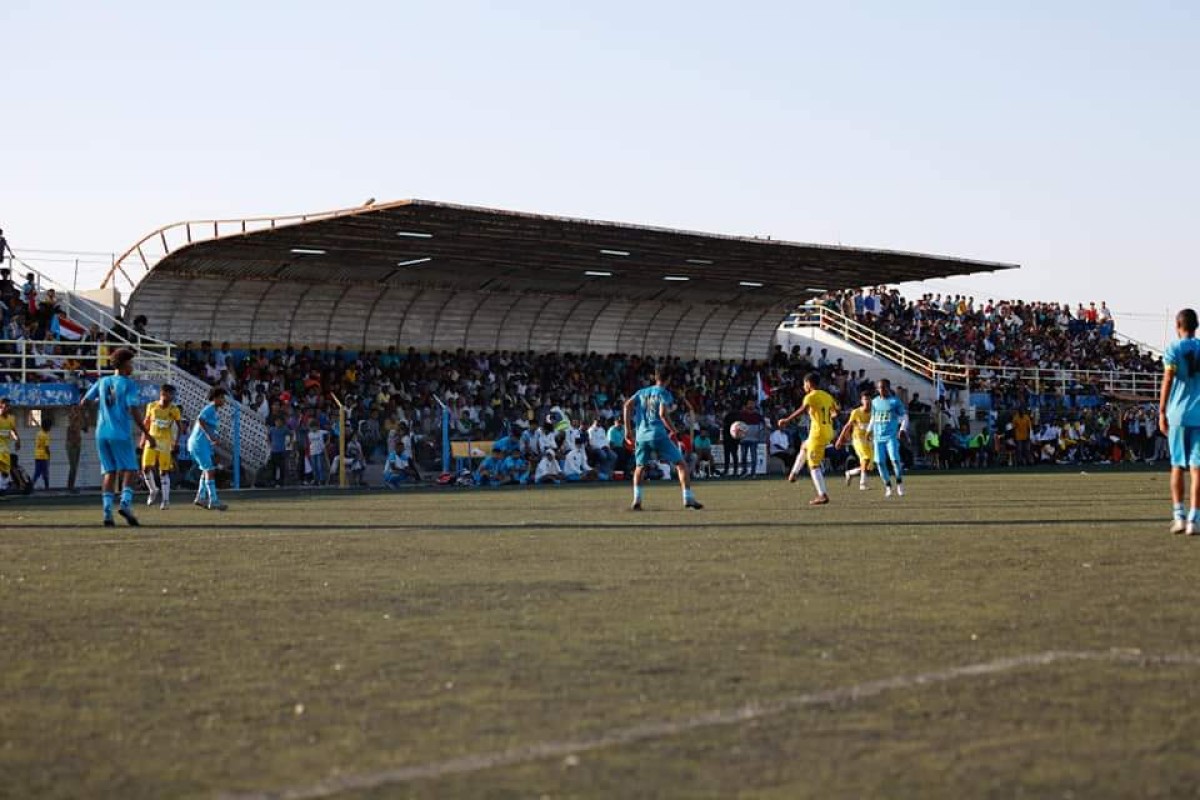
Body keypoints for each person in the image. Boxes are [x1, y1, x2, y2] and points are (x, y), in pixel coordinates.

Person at [80, 348, 155, 526]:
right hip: (119, 433)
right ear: (123, 365)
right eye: (131, 363)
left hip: (101, 433)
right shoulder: (128, 384)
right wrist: (146, 433)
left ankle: (107, 513)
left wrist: (86, 421)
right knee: (131, 470)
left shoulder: (102, 381)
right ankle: (125, 504)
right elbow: (134, 409)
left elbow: (84, 402)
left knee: (109, 472)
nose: (132, 367)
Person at [623, 367, 702, 510]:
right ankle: (688, 498)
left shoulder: (642, 392)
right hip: (658, 434)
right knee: (681, 464)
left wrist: (627, 431)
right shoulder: (664, 393)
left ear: (655, 377)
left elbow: (627, 405)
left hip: (641, 435)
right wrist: (675, 431)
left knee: (640, 467)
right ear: (669, 379)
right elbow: (662, 414)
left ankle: (637, 500)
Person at [1160, 308, 1200, 535]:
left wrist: (1161, 411)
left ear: (1178, 325)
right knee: (1198, 469)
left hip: (1178, 414)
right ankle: (1195, 519)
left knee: (1177, 466)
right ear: (1196, 326)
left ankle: (1179, 516)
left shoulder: (1173, 348)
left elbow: (1168, 379)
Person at [779, 373, 839, 505]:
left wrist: (787, 420)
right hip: (828, 432)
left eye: (804, 383)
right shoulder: (827, 395)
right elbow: (836, 412)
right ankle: (794, 473)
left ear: (809, 384)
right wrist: (829, 418)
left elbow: (803, 409)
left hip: (818, 434)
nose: (803, 386)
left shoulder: (810, 396)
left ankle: (822, 495)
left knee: (814, 465)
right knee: (804, 446)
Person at [141, 384, 183, 510]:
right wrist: (143, 440)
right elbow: (146, 424)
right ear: (163, 394)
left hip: (165, 443)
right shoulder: (151, 406)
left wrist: (176, 442)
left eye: (173, 394)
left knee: (163, 471)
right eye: (171, 394)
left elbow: (180, 427)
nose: (173, 397)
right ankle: (153, 490)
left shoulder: (174, 409)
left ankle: (165, 500)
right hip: (151, 441)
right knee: (145, 468)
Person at [188, 386, 228, 511]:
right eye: (221, 397)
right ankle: (213, 500)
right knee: (210, 471)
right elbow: (200, 420)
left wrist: (214, 437)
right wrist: (210, 436)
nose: (223, 400)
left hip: (202, 444)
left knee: (206, 470)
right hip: (199, 443)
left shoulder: (214, 411)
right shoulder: (210, 408)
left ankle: (201, 497)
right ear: (215, 398)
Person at [871, 378, 909, 498]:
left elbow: (904, 416)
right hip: (878, 437)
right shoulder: (875, 402)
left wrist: (902, 429)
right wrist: (868, 431)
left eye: (883, 387)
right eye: (879, 387)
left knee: (895, 460)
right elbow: (873, 417)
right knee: (879, 462)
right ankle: (888, 486)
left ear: (888, 387)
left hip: (891, 436)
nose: (881, 390)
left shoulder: (895, 402)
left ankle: (899, 483)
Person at [836, 390, 875, 490]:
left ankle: (850, 473)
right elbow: (847, 426)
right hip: (858, 439)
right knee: (865, 458)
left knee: (868, 466)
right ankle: (862, 484)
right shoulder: (856, 412)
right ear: (861, 401)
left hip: (870, 440)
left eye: (869, 399)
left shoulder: (875, 412)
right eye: (865, 399)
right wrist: (840, 439)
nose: (867, 401)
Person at [66, 403, 87, 493]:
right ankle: (70, 486)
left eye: (77, 409)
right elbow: (72, 429)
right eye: (74, 409)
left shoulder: (80, 419)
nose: (76, 411)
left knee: (75, 466)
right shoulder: (69, 418)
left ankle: (71, 486)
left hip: (78, 443)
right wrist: (75, 418)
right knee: (73, 466)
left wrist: (85, 418)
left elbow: (85, 429)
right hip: (71, 444)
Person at [0, 397, 19, 494]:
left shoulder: (11, 418)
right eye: (5, 405)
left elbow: (13, 431)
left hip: (5, 448)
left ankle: (2, 488)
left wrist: (17, 440)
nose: (7, 407)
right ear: (1, 405)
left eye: (8, 406)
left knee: (6, 471)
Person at [33, 416, 52, 490]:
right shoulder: (46, 435)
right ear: (47, 427)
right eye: (50, 426)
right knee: (45, 473)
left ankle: (31, 486)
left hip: (37, 456)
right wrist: (49, 454)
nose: (50, 428)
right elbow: (46, 447)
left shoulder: (38, 433)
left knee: (37, 473)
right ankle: (47, 487)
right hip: (44, 457)